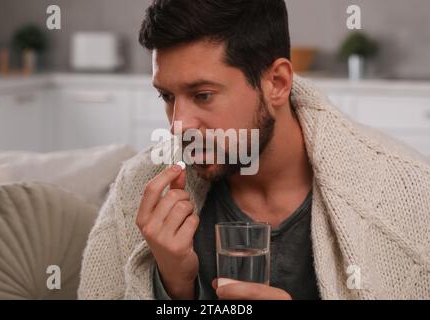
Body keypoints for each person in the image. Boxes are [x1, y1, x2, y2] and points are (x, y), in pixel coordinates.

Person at [78, 0, 430, 300]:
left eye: (203, 95)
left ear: (276, 83)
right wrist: (174, 286)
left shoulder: (409, 194)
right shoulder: (137, 189)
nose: (178, 126)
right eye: (167, 97)